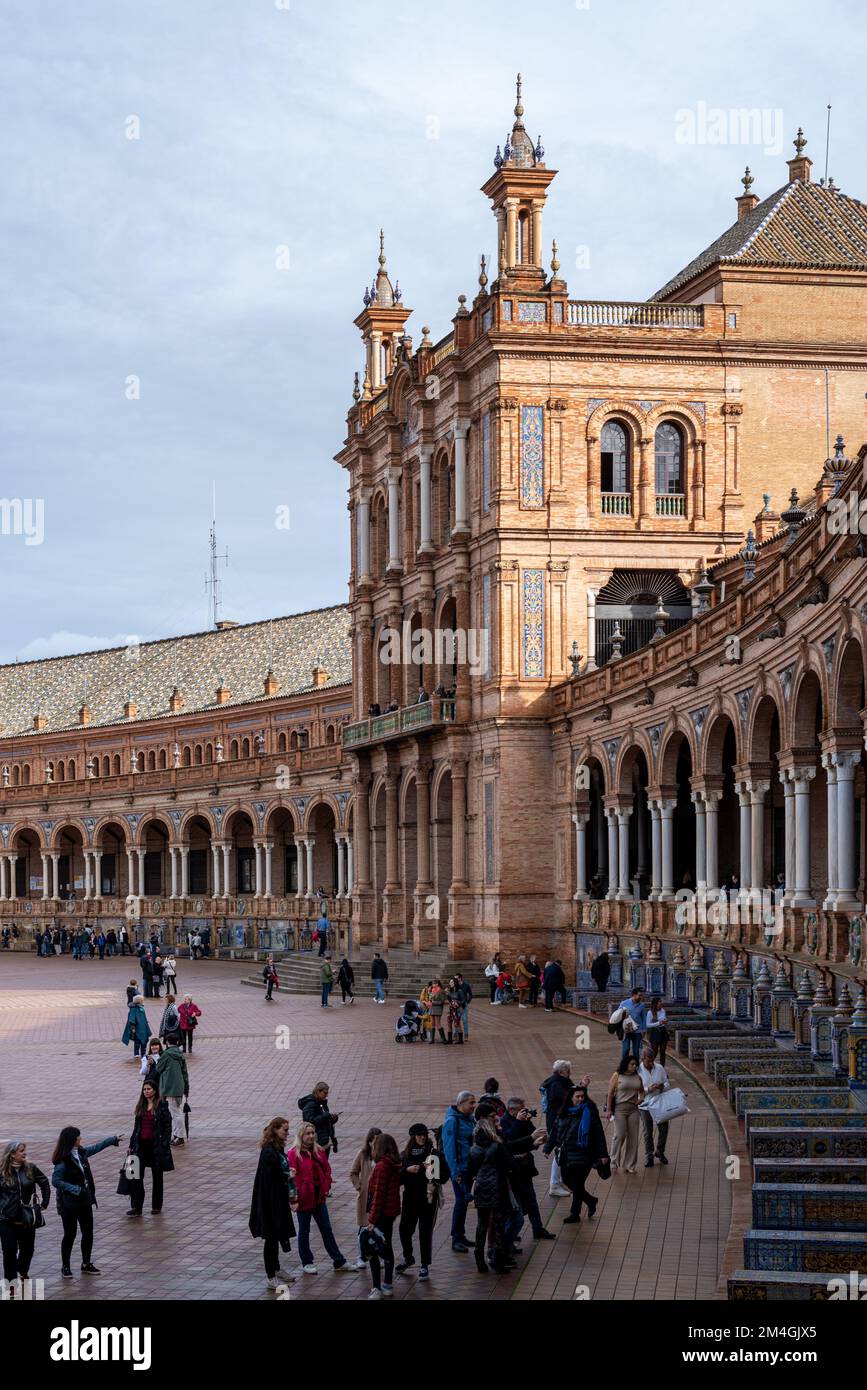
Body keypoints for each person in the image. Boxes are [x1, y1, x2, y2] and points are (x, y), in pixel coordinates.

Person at [51, 1126, 122, 1276]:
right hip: (68, 1204)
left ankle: (86, 1263)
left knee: (87, 1232)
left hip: (84, 1200)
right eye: (78, 1136)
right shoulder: (62, 1161)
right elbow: (56, 1181)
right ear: (72, 1139)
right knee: (70, 1235)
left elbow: (96, 1148)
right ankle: (65, 1266)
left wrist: (112, 1140)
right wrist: (73, 1188)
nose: (80, 1138)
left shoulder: (81, 1153)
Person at [287, 1122, 348, 1274]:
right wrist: (294, 1199)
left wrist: (326, 1187)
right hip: (304, 1199)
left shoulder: (319, 1151)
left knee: (327, 1230)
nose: (311, 1136)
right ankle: (307, 1262)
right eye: (308, 1133)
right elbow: (291, 1180)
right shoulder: (293, 1153)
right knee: (304, 1231)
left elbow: (327, 1170)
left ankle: (339, 1260)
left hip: (319, 1198)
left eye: (313, 1133)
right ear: (301, 1135)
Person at [546, 1082, 607, 1222]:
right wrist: (548, 1148)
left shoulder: (589, 1111)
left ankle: (575, 1213)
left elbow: (598, 1133)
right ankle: (591, 1200)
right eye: (577, 1097)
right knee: (567, 1181)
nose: (580, 1099)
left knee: (577, 1183)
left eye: (583, 1096)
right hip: (567, 1154)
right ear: (570, 1098)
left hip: (585, 1154)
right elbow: (556, 1130)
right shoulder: (564, 1111)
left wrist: (603, 1154)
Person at [249, 1117, 297, 1291]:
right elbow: (271, 1177)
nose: (287, 1132)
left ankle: (276, 1269)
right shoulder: (269, 1151)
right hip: (269, 1203)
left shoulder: (276, 1148)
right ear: (275, 1130)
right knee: (270, 1239)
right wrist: (287, 1176)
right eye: (284, 1129)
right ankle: (271, 1276)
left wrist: (286, 1173)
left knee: (276, 1236)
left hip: (276, 1200)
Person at [0, 1140, 50, 1296]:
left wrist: (44, 1202)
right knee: (9, 1251)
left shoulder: (30, 1168)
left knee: (28, 1250)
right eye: (21, 1151)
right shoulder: (1, 1172)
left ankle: (22, 1270)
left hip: (27, 1218)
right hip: (6, 1219)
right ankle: (11, 1284)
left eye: (24, 1150)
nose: (24, 1153)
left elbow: (44, 1182)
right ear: (12, 1154)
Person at [500, 1098, 554, 1241]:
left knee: (531, 1199)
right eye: (521, 1109)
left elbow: (531, 1137)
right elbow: (509, 1142)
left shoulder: (524, 1120)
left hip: (525, 1166)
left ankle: (537, 1228)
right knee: (516, 1204)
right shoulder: (503, 1122)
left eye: (524, 1109)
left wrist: (541, 1139)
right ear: (511, 1110)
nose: (524, 1112)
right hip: (512, 1169)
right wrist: (519, 1122)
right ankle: (510, 1232)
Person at [466, 1117, 515, 1274]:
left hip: (481, 1189)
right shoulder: (497, 1146)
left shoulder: (473, 1149)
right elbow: (510, 1164)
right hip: (498, 1188)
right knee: (498, 1226)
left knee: (482, 1224)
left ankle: (480, 1260)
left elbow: (471, 1171)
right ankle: (498, 1261)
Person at [396, 1124, 440, 1279]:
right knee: (404, 1230)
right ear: (413, 1137)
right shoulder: (405, 1156)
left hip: (429, 1199)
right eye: (419, 1135)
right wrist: (406, 1170)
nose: (423, 1137)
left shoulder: (434, 1153)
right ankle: (408, 1257)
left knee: (425, 1232)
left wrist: (433, 1171)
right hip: (410, 1199)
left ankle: (424, 1265)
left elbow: (444, 1176)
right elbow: (397, 1179)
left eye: (424, 1135)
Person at [126, 1080, 174, 1216]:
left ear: (155, 1090)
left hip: (155, 1146)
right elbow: (136, 1128)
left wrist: (164, 1143)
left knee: (157, 1177)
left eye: (149, 1089)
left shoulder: (162, 1105)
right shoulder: (141, 1105)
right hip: (140, 1145)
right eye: (144, 1089)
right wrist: (131, 1145)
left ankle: (156, 1206)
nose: (146, 1091)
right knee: (135, 1177)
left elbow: (167, 1125)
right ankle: (137, 1207)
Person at [365, 1132, 402, 1299]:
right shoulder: (394, 1163)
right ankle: (387, 1284)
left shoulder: (381, 1166)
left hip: (381, 1213)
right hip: (391, 1212)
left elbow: (379, 1195)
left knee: (373, 1248)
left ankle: (377, 1287)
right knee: (387, 1247)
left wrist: (372, 1219)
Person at [441, 1090, 476, 1253]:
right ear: (461, 1104)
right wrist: (455, 1172)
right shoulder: (452, 1121)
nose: (474, 1106)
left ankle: (461, 1235)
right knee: (461, 1201)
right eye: (471, 1102)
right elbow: (449, 1150)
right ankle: (456, 1238)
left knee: (463, 1202)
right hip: (459, 1169)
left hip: (468, 1167)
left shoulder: (469, 1119)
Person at [540, 1059, 575, 1197]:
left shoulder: (559, 1082)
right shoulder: (556, 1084)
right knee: (560, 1151)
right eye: (568, 1071)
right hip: (557, 1123)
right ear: (561, 1072)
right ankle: (554, 1184)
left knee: (561, 1150)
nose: (570, 1073)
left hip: (557, 1121)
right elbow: (569, 1098)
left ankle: (558, 1181)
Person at [605, 1054, 644, 1174]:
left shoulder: (637, 1076)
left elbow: (642, 1091)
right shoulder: (617, 1075)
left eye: (635, 1064)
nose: (634, 1066)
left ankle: (630, 1165)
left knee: (633, 1137)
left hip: (633, 1109)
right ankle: (613, 1161)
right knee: (620, 1135)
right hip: (619, 1109)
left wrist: (641, 1099)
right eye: (632, 1064)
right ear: (626, 1064)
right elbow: (610, 1093)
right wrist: (609, 1110)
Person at [349, 1127, 382, 1269]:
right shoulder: (362, 1154)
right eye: (372, 1142)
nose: (374, 1145)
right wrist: (359, 1187)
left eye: (377, 1142)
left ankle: (379, 1254)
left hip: (379, 1197)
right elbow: (353, 1172)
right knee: (364, 1227)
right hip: (365, 1198)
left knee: (379, 1228)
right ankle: (362, 1256)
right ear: (368, 1142)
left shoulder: (384, 1156)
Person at [638, 1044, 670, 1168]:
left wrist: (662, 1086)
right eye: (648, 1061)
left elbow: (667, 1083)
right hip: (645, 1105)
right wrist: (648, 1089)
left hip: (659, 1102)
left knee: (664, 1128)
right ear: (643, 1059)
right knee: (648, 1131)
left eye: (652, 1060)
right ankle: (649, 1155)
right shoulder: (638, 1071)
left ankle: (660, 1152)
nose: (651, 1063)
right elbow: (636, 1090)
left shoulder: (660, 1068)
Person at [155, 1035, 190, 1145]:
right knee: (176, 1112)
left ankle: (179, 1136)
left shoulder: (166, 1054)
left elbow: (158, 1068)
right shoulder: (180, 1054)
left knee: (175, 1113)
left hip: (170, 1088)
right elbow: (185, 1073)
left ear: (167, 1042)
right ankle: (176, 1135)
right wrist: (186, 1088)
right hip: (180, 1087)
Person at [298, 1082, 338, 1155]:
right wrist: (325, 1115)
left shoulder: (321, 1102)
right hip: (316, 1140)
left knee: (324, 1163)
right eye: (325, 1093)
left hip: (324, 1139)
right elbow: (309, 1122)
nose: (326, 1095)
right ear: (318, 1091)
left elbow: (324, 1120)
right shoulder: (310, 1104)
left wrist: (332, 1119)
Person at [617, 986, 647, 1061]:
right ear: (634, 995)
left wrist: (644, 1030)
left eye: (641, 995)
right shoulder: (624, 1003)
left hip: (637, 1031)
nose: (641, 997)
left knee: (636, 1051)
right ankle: (624, 1066)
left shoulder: (642, 1005)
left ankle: (636, 1066)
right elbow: (617, 1014)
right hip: (626, 1030)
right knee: (626, 1049)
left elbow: (644, 1018)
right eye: (639, 995)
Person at [122, 994, 150, 1060]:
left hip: (143, 1027)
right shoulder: (133, 1009)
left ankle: (143, 1052)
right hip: (138, 1028)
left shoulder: (141, 1008)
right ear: (140, 1001)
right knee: (137, 1041)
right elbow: (131, 1019)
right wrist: (133, 1028)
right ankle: (136, 1053)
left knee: (144, 1040)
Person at [645, 996, 669, 1065]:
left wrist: (665, 1021)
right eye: (659, 1001)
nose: (661, 1003)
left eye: (661, 1001)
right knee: (654, 1051)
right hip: (655, 1032)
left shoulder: (663, 1010)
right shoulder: (650, 1012)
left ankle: (662, 1069)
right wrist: (658, 1023)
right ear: (655, 1003)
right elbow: (648, 1025)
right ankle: (648, 1065)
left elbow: (664, 1019)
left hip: (663, 1031)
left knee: (662, 1051)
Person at [427, 978, 448, 1043]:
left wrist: (433, 1002)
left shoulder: (441, 991)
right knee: (432, 1024)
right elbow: (430, 999)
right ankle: (432, 1039)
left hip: (438, 1009)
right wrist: (429, 994)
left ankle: (443, 1039)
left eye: (435, 984)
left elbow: (442, 1002)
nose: (434, 985)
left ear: (438, 984)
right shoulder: (432, 990)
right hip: (431, 1008)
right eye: (433, 984)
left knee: (438, 1024)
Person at [446, 977, 465, 1044]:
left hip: (457, 1009)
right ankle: (449, 1040)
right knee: (449, 1023)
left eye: (451, 982)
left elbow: (463, 1000)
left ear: (455, 983)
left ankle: (460, 1040)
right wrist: (447, 994)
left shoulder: (459, 991)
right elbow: (449, 1000)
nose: (450, 983)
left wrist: (456, 1002)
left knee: (457, 1024)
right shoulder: (450, 991)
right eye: (450, 982)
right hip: (451, 1009)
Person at [454, 972, 472, 1039]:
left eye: (456, 978)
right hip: (456, 1005)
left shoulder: (466, 985)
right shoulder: (455, 985)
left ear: (460, 978)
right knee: (456, 1020)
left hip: (464, 1005)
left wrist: (468, 1001)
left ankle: (466, 1035)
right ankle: (455, 1034)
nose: (455, 979)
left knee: (464, 1020)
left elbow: (470, 994)